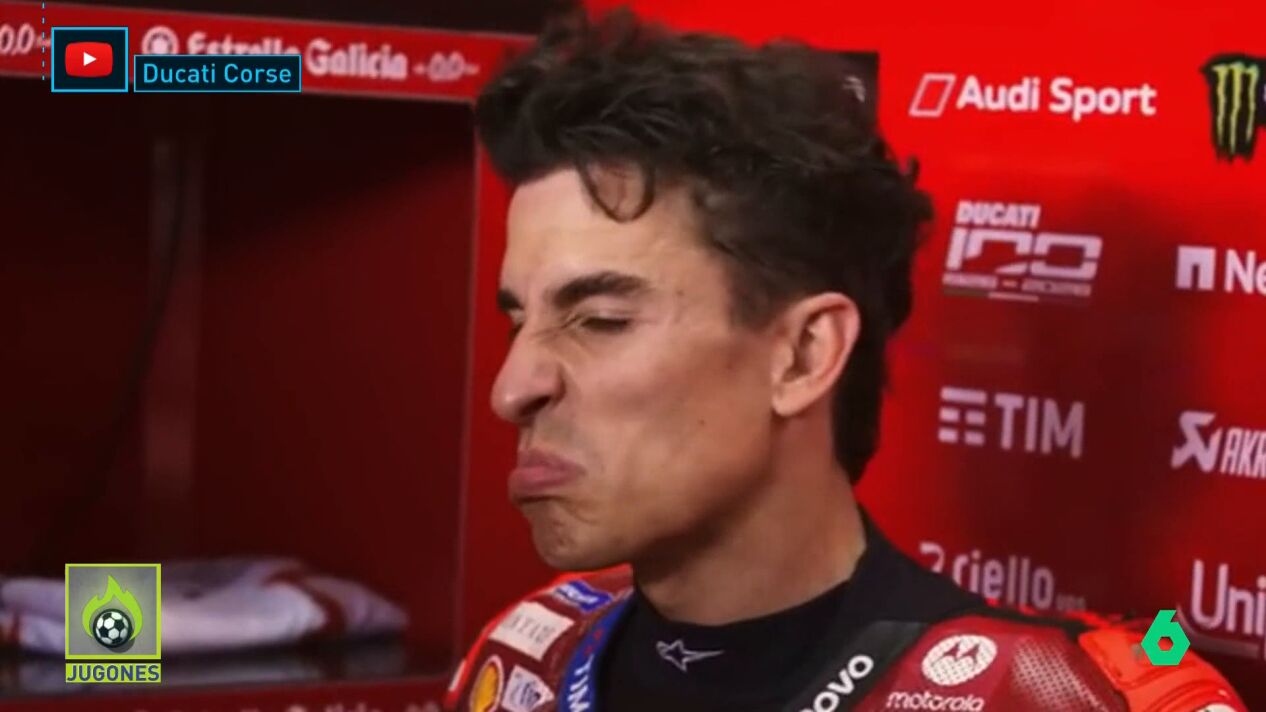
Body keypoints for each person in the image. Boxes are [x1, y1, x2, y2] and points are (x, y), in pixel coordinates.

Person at [445, 8, 1246, 712]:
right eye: (519, 321)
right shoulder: (525, 665)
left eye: (600, 320)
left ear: (803, 354)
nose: (513, 389)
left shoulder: (1047, 698)